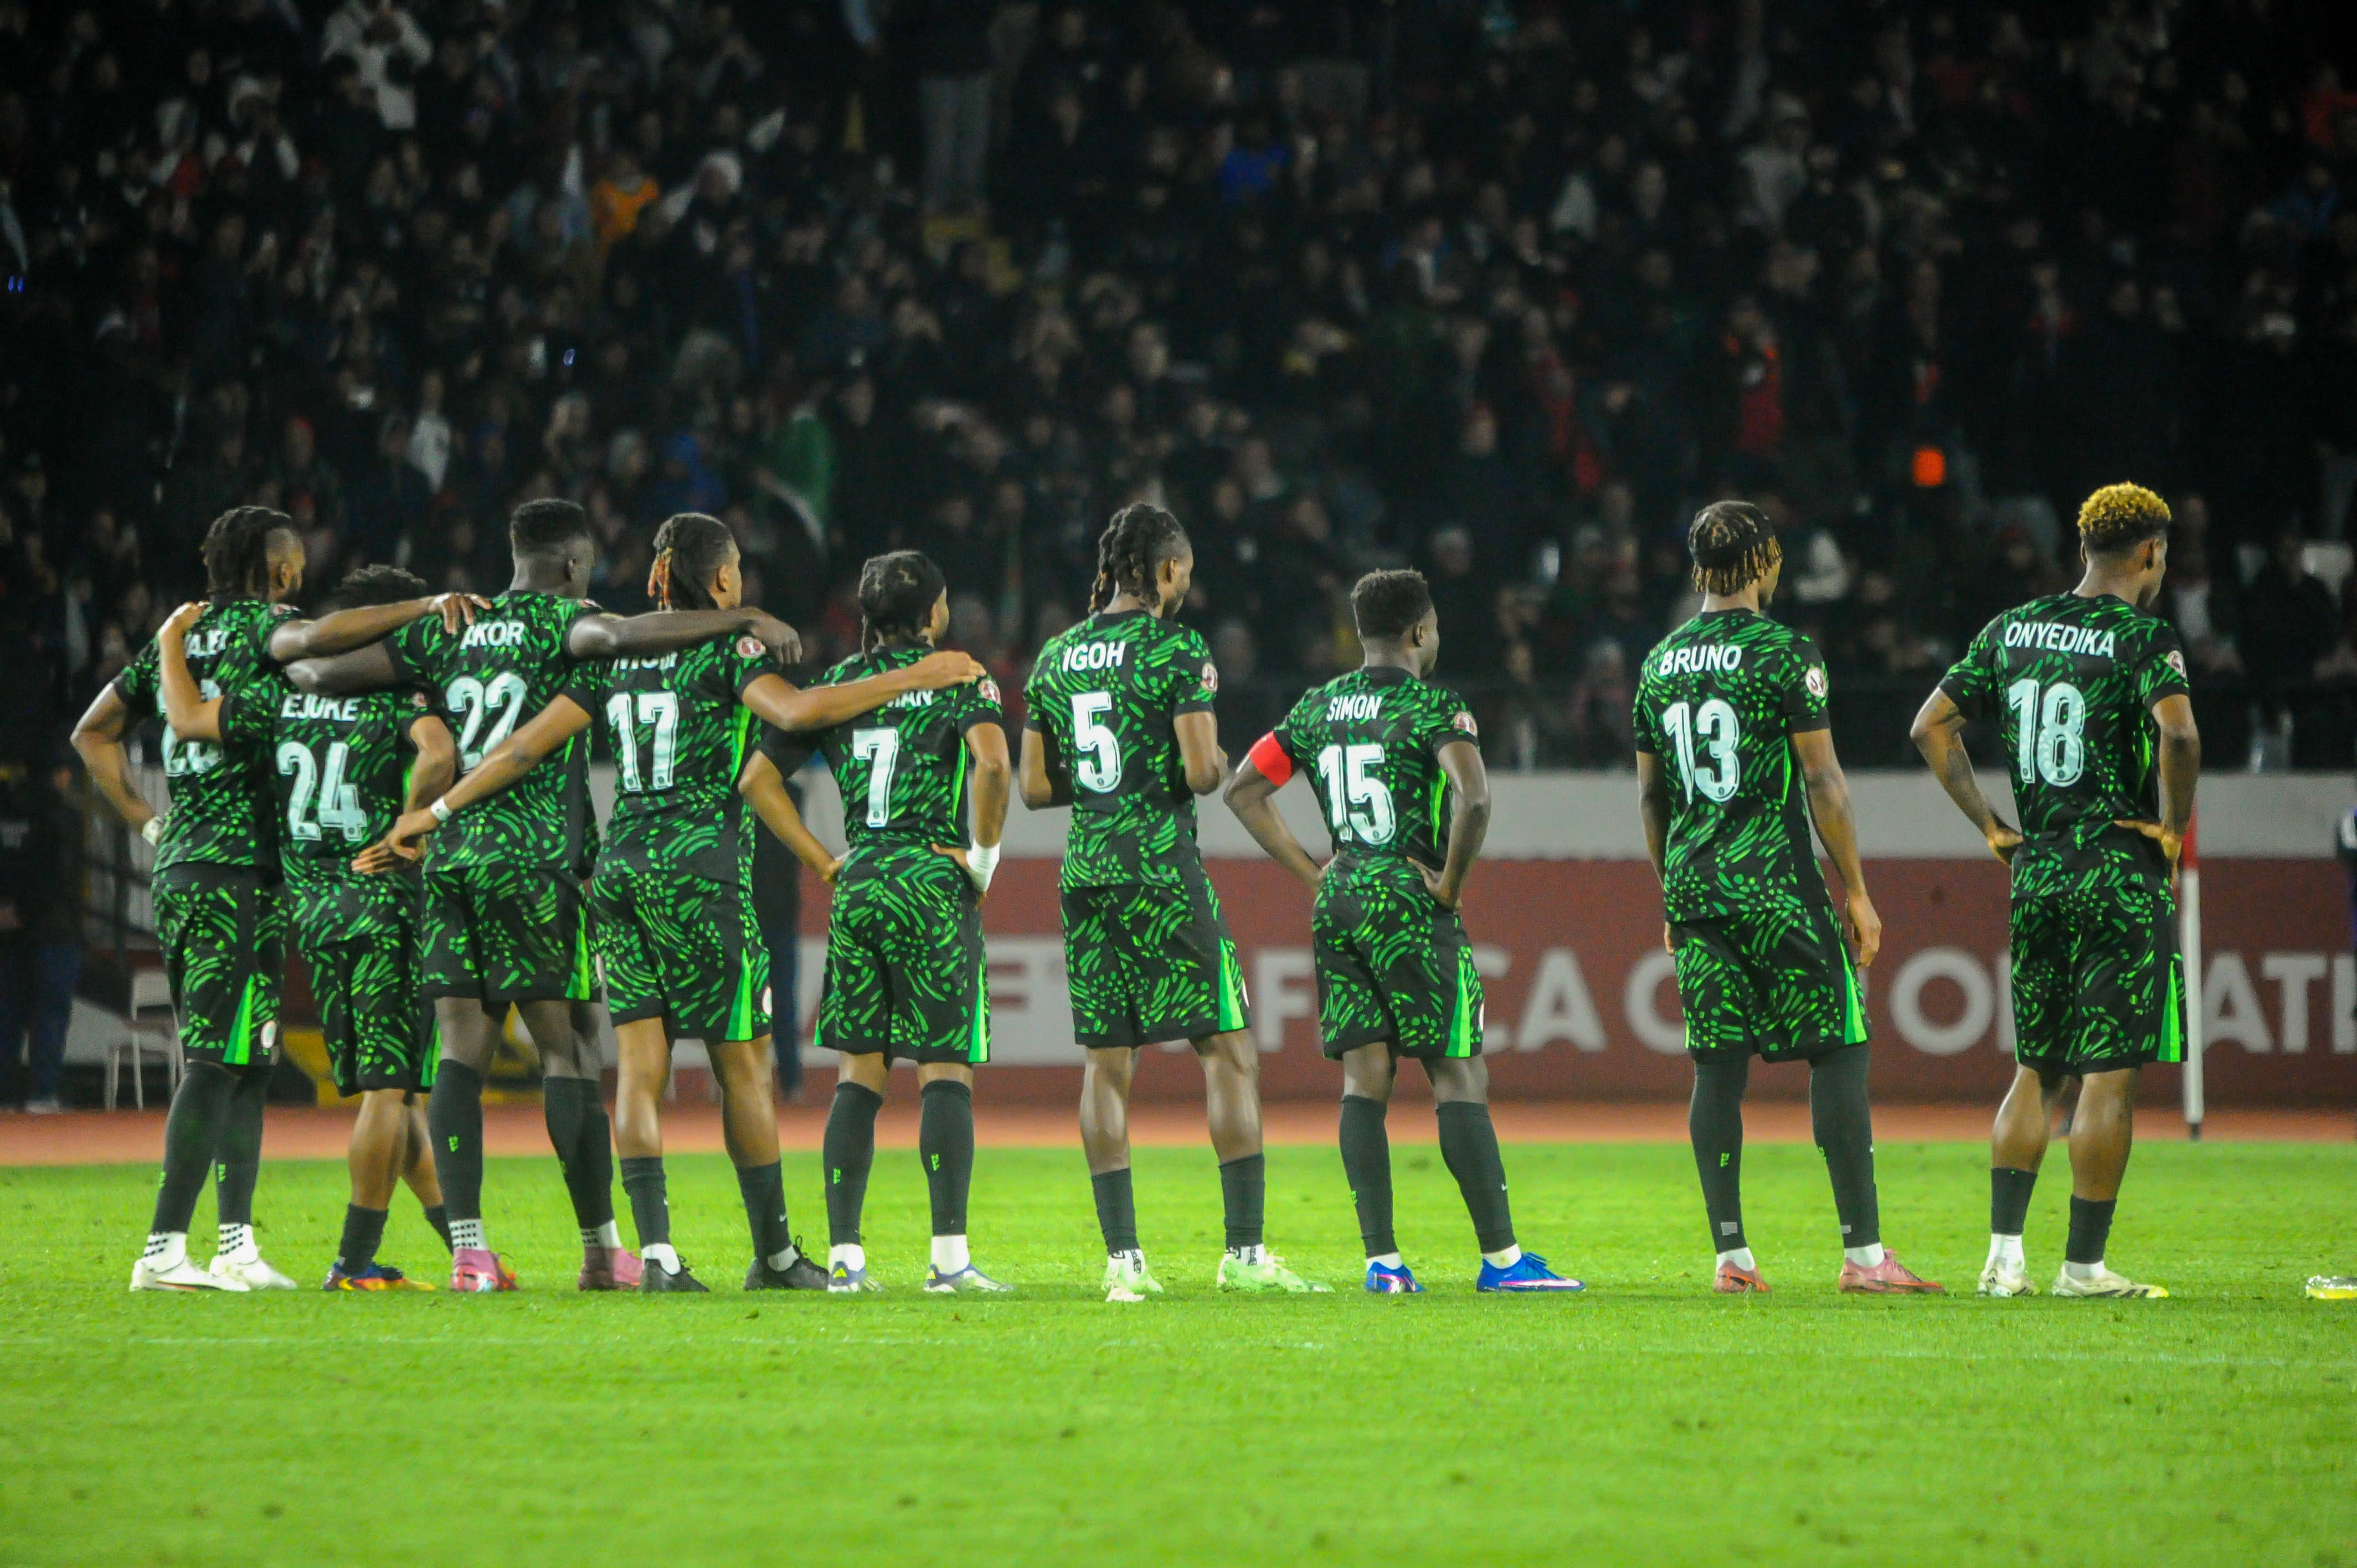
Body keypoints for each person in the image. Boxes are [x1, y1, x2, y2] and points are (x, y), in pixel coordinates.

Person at [364, 515, 984, 1292]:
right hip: (701, 872)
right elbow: (792, 715)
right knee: (743, 1066)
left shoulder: (617, 656)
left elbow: (524, 746)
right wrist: (910, 677)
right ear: (723, 581)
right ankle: (777, 1256)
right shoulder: (731, 646)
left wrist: (439, 810)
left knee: (640, 1069)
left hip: (621, 873)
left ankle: (654, 1256)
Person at [291, 498, 803, 1293]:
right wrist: (753, 618)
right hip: (539, 865)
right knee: (569, 1048)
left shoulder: (447, 626)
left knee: (459, 1050)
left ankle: (469, 1252)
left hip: (450, 858)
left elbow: (314, 669)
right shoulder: (566, 622)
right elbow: (628, 637)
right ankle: (604, 1250)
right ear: (571, 565)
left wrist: (421, 634)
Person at [70, 506, 486, 1293]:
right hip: (233, 876)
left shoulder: (188, 641)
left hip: (223, 871)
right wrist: (425, 607)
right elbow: (316, 642)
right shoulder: (274, 642)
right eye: (294, 562)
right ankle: (162, 1249)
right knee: (214, 1061)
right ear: (281, 571)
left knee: (250, 1062)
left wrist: (148, 823)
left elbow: (92, 732)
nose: (301, 576)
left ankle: (235, 1245)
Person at [1224, 569, 1583, 1293]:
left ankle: (1382, 1263)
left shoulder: (1317, 707)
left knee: (1364, 1079)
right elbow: (1475, 797)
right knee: (1456, 1071)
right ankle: (1504, 1262)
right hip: (1408, 898)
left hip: (1344, 894)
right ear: (1420, 632)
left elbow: (1243, 791)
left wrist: (1313, 873)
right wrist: (1449, 884)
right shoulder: (1432, 706)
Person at [1633, 499, 1941, 1297]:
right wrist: (1859, 891)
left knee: (1717, 1068)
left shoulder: (1658, 662)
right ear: (1767, 563)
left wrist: (1671, 889)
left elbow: (1651, 798)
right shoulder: (1785, 653)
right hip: (1776, 885)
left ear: (1699, 567)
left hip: (1697, 887)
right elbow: (1823, 782)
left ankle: (1732, 1259)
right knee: (1839, 1048)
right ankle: (1866, 1259)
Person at [1021, 502, 1324, 1301]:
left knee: (1105, 1066)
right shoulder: (1176, 649)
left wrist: (1105, 779)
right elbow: (1201, 775)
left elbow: (1033, 787)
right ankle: (1246, 1254)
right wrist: (1210, 752)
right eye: (1183, 571)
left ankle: (1123, 1261)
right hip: (1158, 866)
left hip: (1086, 872)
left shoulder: (1055, 656)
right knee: (1228, 1050)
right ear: (1161, 571)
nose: (1187, 585)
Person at [1912, 482, 2196, 1300]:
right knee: (2108, 1076)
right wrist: (2172, 828)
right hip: (2116, 869)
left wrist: (1992, 827)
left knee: (2037, 1070)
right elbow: (2178, 732)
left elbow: (1930, 724)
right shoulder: (2144, 638)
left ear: (2083, 550)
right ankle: (2083, 1268)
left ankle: (2003, 1262)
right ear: (2150, 553)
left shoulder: (2010, 629)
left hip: (2036, 871)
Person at [153, 566, 456, 1290]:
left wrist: (169, 642)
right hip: (385, 906)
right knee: (392, 1091)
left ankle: (465, 1249)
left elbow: (191, 719)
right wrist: (409, 827)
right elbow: (441, 756)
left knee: (396, 1092)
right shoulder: (397, 702)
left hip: (315, 912)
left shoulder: (282, 697)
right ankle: (353, 1263)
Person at [756, 550, 1013, 1294]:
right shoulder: (960, 675)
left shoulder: (838, 686)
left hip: (862, 880)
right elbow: (993, 767)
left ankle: (845, 1261)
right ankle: (949, 1260)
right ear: (934, 613)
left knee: (858, 1073)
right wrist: (985, 859)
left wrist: (823, 861)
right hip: (933, 879)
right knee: (944, 1068)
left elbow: (758, 780)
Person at [0, 763, 84, 1114]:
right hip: (53, 931)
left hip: (8, 933)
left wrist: (7, 906)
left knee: (7, 1016)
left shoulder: (8, 812)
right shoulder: (63, 817)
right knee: (49, 1016)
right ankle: (41, 1094)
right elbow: (61, 876)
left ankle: (4, 1096)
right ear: (62, 774)